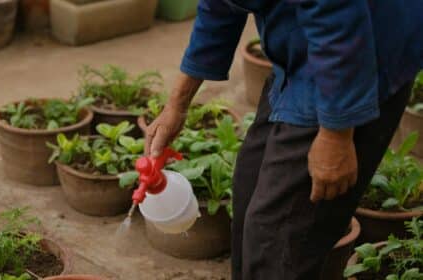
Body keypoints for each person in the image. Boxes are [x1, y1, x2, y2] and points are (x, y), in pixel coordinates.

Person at [144, 1, 423, 279]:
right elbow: (219, 5)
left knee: (279, 237)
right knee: (250, 190)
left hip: (356, 52)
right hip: (306, 40)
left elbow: (335, 14)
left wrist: (336, 134)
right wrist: (177, 105)